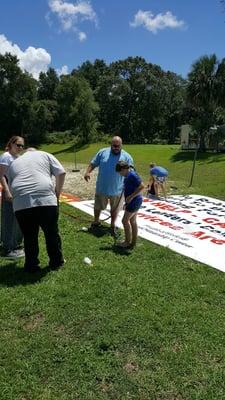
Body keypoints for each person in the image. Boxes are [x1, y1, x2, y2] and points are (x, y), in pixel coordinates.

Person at [8, 149, 66, 273]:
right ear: (36, 151)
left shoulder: (15, 162)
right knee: (51, 233)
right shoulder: (46, 154)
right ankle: (56, 262)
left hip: (21, 202)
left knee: (29, 236)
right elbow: (61, 173)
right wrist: (57, 193)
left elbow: (10, 186)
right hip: (45, 198)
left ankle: (31, 265)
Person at [84, 135, 133, 235]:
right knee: (98, 206)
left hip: (117, 189)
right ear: (111, 144)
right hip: (102, 187)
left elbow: (131, 172)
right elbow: (93, 163)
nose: (116, 148)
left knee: (114, 209)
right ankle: (96, 221)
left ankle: (112, 225)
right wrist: (87, 172)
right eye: (114, 146)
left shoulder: (127, 157)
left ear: (121, 145)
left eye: (118, 146)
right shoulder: (102, 152)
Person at [0, 135, 24, 259]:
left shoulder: (18, 158)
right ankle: (7, 250)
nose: (20, 147)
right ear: (11, 144)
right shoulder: (6, 157)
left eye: (22, 146)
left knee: (16, 220)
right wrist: (7, 191)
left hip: (18, 193)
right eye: (18, 145)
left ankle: (13, 244)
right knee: (8, 220)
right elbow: (2, 176)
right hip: (9, 193)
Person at [115, 161, 144, 249]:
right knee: (133, 221)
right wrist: (127, 201)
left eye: (120, 172)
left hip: (134, 201)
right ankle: (133, 242)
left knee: (124, 221)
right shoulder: (129, 175)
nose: (120, 174)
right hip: (133, 201)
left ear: (124, 169)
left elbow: (142, 186)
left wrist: (131, 197)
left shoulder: (132, 175)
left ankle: (127, 242)